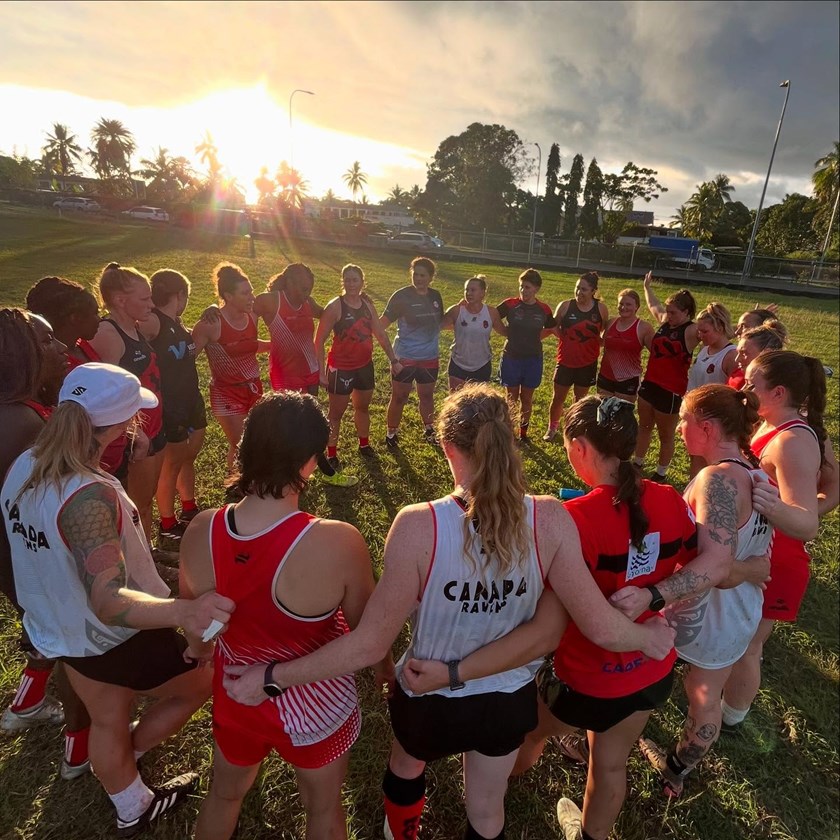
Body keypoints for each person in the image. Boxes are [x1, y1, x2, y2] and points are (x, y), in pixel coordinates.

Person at [221, 385, 676, 840]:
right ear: (509, 441)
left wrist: (270, 678)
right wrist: (647, 638)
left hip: (426, 692)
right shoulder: (552, 517)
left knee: (405, 764)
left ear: (446, 446)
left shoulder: (419, 524)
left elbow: (370, 643)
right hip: (507, 701)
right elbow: (587, 625)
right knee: (486, 810)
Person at [404, 395, 730, 840]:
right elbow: (703, 565)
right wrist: (656, 598)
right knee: (612, 764)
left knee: (522, 737)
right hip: (649, 672)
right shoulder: (671, 500)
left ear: (578, 447)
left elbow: (552, 620)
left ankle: (503, 786)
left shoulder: (571, 518)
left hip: (583, 678)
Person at [1, 362, 235, 837]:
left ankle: (131, 804)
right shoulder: (89, 496)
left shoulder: (27, 462)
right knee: (203, 682)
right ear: (123, 425)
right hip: (114, 634)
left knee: (106, 718)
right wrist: (184, 610)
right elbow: (109, 600)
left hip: (59, 627)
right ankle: (134, 754)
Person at [180, 392, 389, 840]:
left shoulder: (200, 529)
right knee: (323, 811)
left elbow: (198, 628)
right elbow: (366, 630)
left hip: (236, 691)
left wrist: (199, 650)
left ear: (246, 446)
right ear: (310, 461)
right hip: (316, 706)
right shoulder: (338, 542)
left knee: (224, 795)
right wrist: (384, 671)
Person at [633, 384, 772, 797]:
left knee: (640, 684)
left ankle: (606, 748)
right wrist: (746, 570)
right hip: (738, 617)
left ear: (707, 428)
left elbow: (717, 565)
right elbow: (744, 561)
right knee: (706, 700)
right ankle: (677, 770)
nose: (678, 430)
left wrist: (653, 595)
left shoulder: (717, 481)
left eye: (684, 422)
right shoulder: (756, 473)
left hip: (696, 617)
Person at [0, 309, 93, 782]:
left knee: (44, 634)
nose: (63, 349)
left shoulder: (21, 412)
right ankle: (80, 749)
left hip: (17, 564)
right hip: (35, 561)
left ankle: (26, 703)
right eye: (48, 341)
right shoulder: (23, 427)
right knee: (74, 650)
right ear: (20, 355)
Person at [717, 350, 828, 732]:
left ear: (778, 392)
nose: (745, 387)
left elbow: (806, 524)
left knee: (749, 646)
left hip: (776, 562)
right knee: (735, 636)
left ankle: (733, 717)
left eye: (752, 383)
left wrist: (773, 506)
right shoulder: (771, 424)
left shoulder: (791, 442)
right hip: (754, 551)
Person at [88, 263, 166, 541]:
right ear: (121, 300)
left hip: (153, 426)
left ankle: (149, 555)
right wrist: (135, 432)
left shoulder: (134, 327)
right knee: (135, 507)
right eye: (145, 299)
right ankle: (141, 567)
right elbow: (105, 395)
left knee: (146, 503)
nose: (152, 304)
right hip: (136, 436)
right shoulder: (108, 335)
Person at [138, 269, 207, 546]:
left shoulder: (175, 323)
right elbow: (127, 331)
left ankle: (188, 506)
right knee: (172, 463)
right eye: (186, 296)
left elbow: (184, 354)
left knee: (186, 457)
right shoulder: (153, 321)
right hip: (170, 404)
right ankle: (167, 524)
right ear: (180, 295)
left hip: (189, 398)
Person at [314, 264, 400, 466]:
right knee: (336, 414)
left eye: (355, 279)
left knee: (362, 407)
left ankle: (364, 444)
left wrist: (393, 359)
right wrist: (321, 371)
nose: (351, 283)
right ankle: (332, 453)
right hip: (340, 367)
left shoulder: (367, 305)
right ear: (342, 281)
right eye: (347, 279)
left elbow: (380, 333)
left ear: (362, 282)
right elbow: (318, 340)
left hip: (364, 366)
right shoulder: (335, 306)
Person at [192, 262, 268, 473]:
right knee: (242, 443)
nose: (252, 297)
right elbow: (187, 357)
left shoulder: (251, 316)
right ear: (228, 295)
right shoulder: (211, 323)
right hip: (226, 393)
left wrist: (274, 346)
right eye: (245, 293)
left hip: (254, 388)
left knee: (254, 439)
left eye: (251, 291)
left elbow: (248, 345)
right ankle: (238, 486)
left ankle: (245, 482)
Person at [633, 272, 699, 483]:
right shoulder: (664, 322)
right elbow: (654, 306)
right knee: (643, 426)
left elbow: (717, 332)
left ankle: (661, 472)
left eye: (673, 312)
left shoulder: (691, 331)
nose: (668, 315)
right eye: (668, 311)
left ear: (686, 312)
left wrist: (743, 328)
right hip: (650, 383)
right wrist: (647, 287)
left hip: (670, 390)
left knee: (665, 435)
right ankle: (638, 461)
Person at [381, 256, 444, 447]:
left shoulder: (435, 296)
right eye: (415, 274)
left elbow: (440, 322)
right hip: (405, 357)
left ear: (431, 277)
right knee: (399, 397)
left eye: (423, 275)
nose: (418, 279)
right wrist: (392, 358)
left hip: (429, 357)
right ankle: (391, 433)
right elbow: (382, 323)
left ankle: (429, 429)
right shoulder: (401, 296)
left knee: (427, 395)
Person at [543, 272, 609, 441]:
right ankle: (552, 428)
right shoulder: (565, 306)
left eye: (584, 289)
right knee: (558, 398)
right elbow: (553, 326)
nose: (579, 292)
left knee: (580, 400)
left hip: (587, 363)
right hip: (565, 361)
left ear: (593, 291)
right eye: (577, 288)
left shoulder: (601, 309)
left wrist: (592, 343)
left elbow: (603, 334)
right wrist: (566, 337)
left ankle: (573, 428)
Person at [497, 269, 557, 442]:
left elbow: (553, 328)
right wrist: (503, 331)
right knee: (511, 397)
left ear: (536, 289)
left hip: (532, 359)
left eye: (528, 287)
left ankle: (523, 433)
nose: (523, 290)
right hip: (511, 357)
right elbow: (492, 315)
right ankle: (509, 431)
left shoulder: (543, 309)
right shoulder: (510, 304)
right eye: (521, 286)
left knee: (527, 398)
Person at [686, 303, 737, 477]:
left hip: (712, 420)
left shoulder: (731, 355)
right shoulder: (704, 349)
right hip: (694, 413)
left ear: (720, 328)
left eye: (705, 331)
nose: (700, 336)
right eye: (698, 331)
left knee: (707, 463)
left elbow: (733, 393)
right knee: (694, 458)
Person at [441, 274, 506, 391]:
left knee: (479, 404)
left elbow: (504, 331)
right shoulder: (456, 310)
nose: (469, 293)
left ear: (482, 293)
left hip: (481, 365)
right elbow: (438, 325)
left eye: (473, 290)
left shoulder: (491, 313)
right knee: (456, 403)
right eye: (466, 290)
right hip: (458, 363)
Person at [25, 275, 101, 369]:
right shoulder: (56, 364)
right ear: (75, 318)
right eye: (95, 313)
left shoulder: (82, 345)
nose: (99, 319)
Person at [595, 288, 654, 404]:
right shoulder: (611, 322)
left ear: (637, 306)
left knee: (621, 416)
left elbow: (656, 352)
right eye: (621, 303)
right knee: (603, 413)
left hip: (628, 379)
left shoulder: (643, 328)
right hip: (605, 376)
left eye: (628, 304)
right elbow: (602, 342)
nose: (624, 307)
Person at [728, 320, 789, 390]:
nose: (737, 359)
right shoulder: (743, 376)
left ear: (766, 353)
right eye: (738, 353)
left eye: (744, 353)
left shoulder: (774, 387)